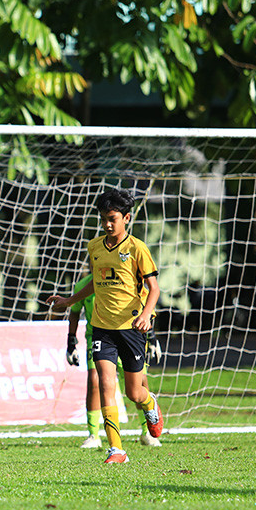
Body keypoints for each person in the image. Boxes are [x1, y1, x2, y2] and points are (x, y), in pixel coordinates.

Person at [47, 188, 164, 464]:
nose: (107, 224)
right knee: (105, 382)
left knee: (134, 392)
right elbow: (95, 283)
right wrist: (69, 300)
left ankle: (150, 405)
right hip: (101, 326)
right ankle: (116, 449)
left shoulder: (137, 248)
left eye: (112, 218)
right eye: (103, 219)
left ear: (126, 218)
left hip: (131, 327)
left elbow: (154, 288)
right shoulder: (95, 247)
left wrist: (147, 315)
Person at [65, 274, 162, 449]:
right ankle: (96, 436)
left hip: (129, 336)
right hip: (99, 337)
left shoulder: (128, 278)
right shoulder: (83, 286)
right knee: (96, 381)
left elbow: (146, 301)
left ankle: (146, 430)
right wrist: (71, 341)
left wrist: (152, 336)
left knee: (137, 386)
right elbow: (74, 312)